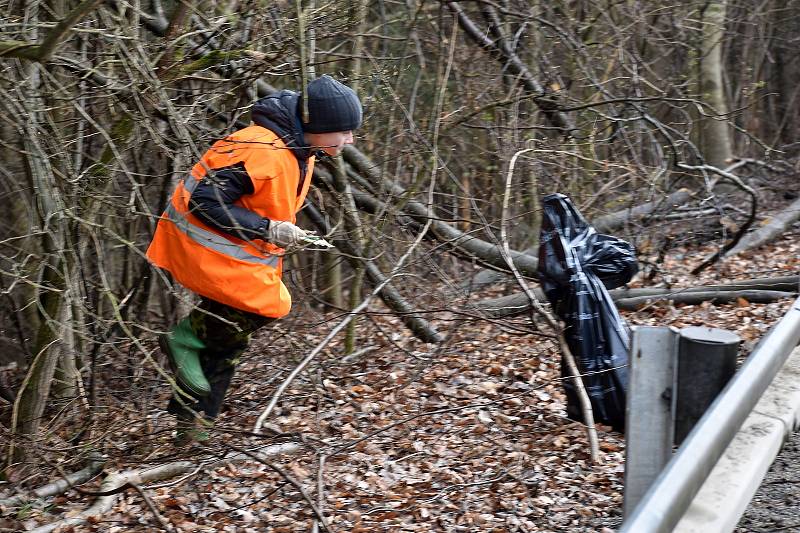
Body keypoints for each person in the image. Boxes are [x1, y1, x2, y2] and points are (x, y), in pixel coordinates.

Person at [146, 75, 362, 444]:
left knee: (228, 340)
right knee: (252, 318)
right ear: (320, 127)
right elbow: (205, 201)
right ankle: (185, 350)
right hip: (203, 249)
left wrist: (280, 231)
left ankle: (194, 429)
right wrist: (268, 228)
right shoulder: (261, 148)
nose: (350, 140)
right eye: (344, 131)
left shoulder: (299, 149)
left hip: (235, 253)